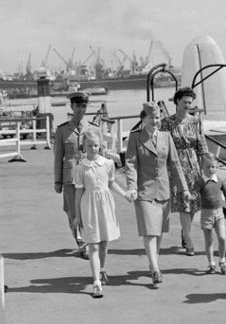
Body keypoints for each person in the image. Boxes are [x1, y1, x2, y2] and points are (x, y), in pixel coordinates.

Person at [124, 102, 192, 285]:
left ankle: (153, 262)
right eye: (151, 118)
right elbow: (130, 164)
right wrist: (131, 186)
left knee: (159, 231)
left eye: (157, 117)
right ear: (143, 119)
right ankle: (155, 267)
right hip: (144, 191)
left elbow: (175, 164)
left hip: (163, 191)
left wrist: (184, 188)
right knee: (150, 231)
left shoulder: (165, 136)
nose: (154, 121)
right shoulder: (135, 137)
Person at [73, 131, 130, 298]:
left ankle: (102, 269)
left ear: (100, 146)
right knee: (93, 245)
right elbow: (78, 193)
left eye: (96, 145)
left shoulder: (108, 164)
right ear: (83, 147)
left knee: (104, 243)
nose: (93, 148)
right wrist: (77, 215)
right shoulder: (80, 168)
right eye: (89, 145)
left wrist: (125, 194)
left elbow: (111, 184)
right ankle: (96, 282)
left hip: (105, 206)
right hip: (89, 207)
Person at [160, 87, 209, 256]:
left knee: (194, 204)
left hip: (194, 165)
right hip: (176, 165)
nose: (188, 105)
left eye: (190, 102)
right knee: (183, 203)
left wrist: (207, 167)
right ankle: (188, 239)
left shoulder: (196, 121)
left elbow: (202, 145)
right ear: (177, 102)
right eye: (185, 102)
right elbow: (162, 146)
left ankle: (184, 230)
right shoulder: (166, 122)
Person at [54, 91, 100, 259]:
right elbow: (58, 157)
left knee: (90, 211)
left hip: (90, 177)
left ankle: (88, 239)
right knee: (73, 213)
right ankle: (82, 244)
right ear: (71, 107)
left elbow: (99, 156)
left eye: (84, 106)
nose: (81, 109)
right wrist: (57, 181)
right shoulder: (62, 130)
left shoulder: (94, 129)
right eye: (78, 106)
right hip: (70, 179)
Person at [191, 153, 226, 275]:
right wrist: (190, 196)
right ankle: (211, 263)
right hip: (206, 215)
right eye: (207, 167)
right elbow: (194, 194)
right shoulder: (200, 182)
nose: (211, 169)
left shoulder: (219, 180)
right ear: (202, 167)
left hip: (219, 214)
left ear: (217, 166)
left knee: (222, 238)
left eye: (213, 166)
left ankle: (222, 260)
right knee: (209, 241)